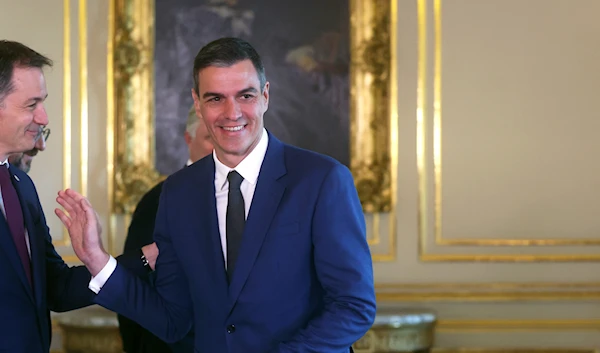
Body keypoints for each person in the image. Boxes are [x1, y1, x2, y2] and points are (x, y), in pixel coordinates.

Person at [57, 37, 376, 352]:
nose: (231, 112)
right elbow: (172, 320)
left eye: (245, 95)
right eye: (215, 99)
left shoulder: (322, 180)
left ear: (265, 96)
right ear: (197, 103)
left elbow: (353, 306)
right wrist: (98, 260)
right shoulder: (178, 192)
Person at [0, 39, 157, 353]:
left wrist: (145, 257)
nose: (43, 117)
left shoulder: (20, 184)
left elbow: (55, 289)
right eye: (32, 105)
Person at [118, 105, 213, 353]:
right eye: (210, 138)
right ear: (188, 139)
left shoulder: (249, 197)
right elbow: (132, 287)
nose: (221, 147)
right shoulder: (159, 200)